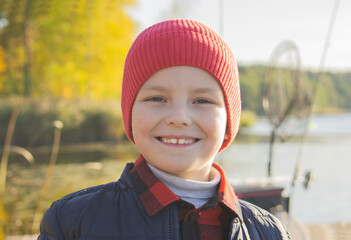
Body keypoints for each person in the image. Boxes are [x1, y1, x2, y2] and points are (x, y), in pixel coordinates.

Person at [38, 19, 291, 240]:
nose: (179, 118)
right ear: (130, 114)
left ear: (228, 120)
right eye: (157, 99)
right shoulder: (72, 222)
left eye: (202, 101)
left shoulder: (268, 232)